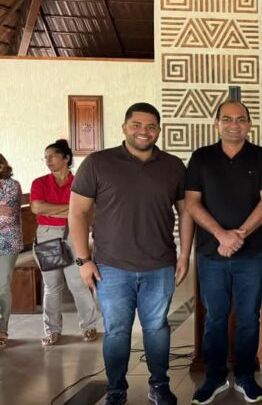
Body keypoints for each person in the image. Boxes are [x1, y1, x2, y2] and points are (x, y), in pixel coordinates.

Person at [70, 103, 193, 405]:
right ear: (124, 127)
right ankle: (115, 389)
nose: (144, 131)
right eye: (137, 125)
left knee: (157, 329)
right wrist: (84, 261)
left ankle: (159, 385)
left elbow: (186, 212)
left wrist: (184, 255)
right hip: (111, 267)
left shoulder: (174, 166)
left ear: (159, 130)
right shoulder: (98, 163)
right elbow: (77, 213)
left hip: (159, 265)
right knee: (116, 331)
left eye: (151, 126)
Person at [185, 100, 262, 405]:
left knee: (249, 316)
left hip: (250, 254)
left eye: (240, 120)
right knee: (215, 317)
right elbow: (192, 203)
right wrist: (222, 235)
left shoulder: (261, 157)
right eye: (227, 119)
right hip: (212, 253)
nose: (234, 124)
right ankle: (214, 376)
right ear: (217, 124)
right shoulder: (201, 158)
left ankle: (247, 376)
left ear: (249, 125)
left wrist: (239, 235)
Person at [30, 139, 99, 346]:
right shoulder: (40, 182)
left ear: (66, 158)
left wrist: (68, 211)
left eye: (52, 156)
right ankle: (52, 331)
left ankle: (89, 327)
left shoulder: (80, 182)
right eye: (46, 157)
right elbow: (37, 208)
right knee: (52, 286)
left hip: (74, 234)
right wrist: (72, 211)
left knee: (78, 283)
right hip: (47, 235)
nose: (48, 160)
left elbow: (90, 211)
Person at [0, 153, 23, 350]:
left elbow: (9, 216)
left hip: (8, 242)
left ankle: (2, 329)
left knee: (2, 285)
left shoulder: (11, 185)